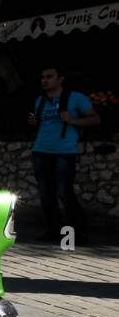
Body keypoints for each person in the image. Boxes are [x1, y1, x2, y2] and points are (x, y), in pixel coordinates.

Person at [28, 65, 99, 243]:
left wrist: (73, 120)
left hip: (64, 151)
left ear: (60, 79)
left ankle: (78, 233)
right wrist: (34, 122)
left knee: (64, 191)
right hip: (41, 150)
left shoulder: (75, 98)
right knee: (46, 193)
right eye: (43, 77)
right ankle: (54, 230)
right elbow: (43, 124)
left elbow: (95, 118)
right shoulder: (40, 100)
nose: (44, 80)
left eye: (49, 76)